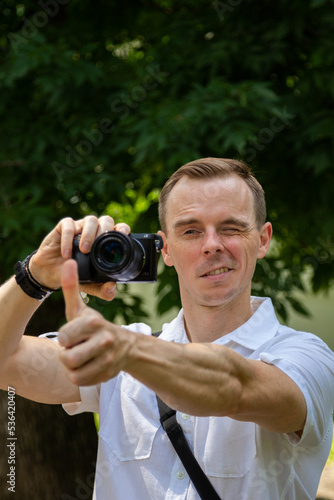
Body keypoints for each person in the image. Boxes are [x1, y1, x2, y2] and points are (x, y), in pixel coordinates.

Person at [0, 157, 333, 500]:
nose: (211, 244)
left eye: (231, 228)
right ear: (166, 249)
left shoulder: (307, 358)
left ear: (262, 240)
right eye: (191, 230)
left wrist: (126, 350)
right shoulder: (117, 354)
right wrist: (34, 275)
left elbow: (234, 387)